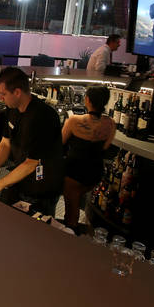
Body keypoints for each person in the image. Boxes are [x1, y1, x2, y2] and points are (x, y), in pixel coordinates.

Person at [0, 67, 64, 215]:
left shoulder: (43, 117)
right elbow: (5, 143)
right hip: (21, 178)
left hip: (42, 186)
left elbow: (31, 164)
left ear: (17, 92)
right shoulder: (12, 109)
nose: (0, 98)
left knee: (36, 230)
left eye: (3, 94)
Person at [60, 86, 116, 229]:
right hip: (94, 173)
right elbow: (105, 147)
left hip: (74, 172)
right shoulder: (110, 124)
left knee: (71, 213)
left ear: (88, 100)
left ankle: (69, 237)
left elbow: (60, 143)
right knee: (81, 203)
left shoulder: (73, 120)